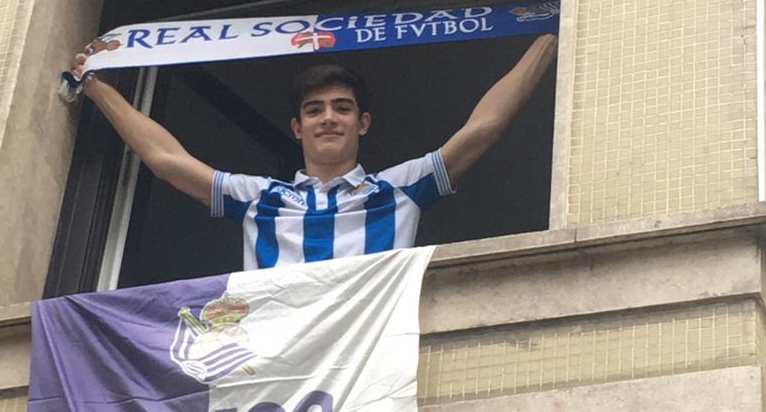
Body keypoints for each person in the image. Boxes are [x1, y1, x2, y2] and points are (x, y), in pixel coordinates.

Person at [70, 34, 558, 270]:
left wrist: (549, 36)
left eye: (342, 108)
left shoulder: (398, 188)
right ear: (297, 127)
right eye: (315, 109)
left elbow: (485, 127)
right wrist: (95, 88)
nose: (329, 117)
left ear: (362, 123)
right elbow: (167, 162)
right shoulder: (262, 198)